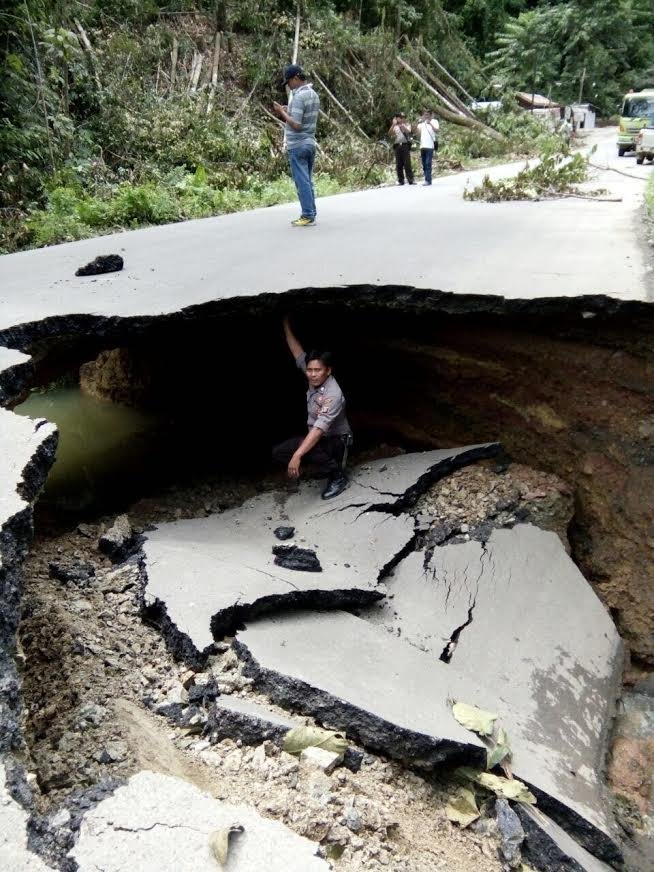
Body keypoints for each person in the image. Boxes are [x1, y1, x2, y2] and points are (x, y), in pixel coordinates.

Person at [272, 316, 352, 500]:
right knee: (279, 452)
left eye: (318, 370)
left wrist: (297, 456)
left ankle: (337, 476)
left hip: (337, 440)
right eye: (309, 370)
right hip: (321, 439)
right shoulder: (312, 375)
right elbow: (297, 350)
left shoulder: (333, 394)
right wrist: (285, 324)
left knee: (307, 445)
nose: (313, 375)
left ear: (328, 371)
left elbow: (318, 431)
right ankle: (319, 467)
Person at [273, 64, 320, 227]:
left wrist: (282, 112)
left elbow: (297, 125)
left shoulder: (299, 97)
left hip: (298, 144)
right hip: (310, 142)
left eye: (289, 82)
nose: (289, 86)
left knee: (302, 182)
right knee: (307, 180)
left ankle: (307, 215)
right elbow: (303, 116)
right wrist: (289, 109)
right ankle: (311, 212)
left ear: (296, 78)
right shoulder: (313, 94)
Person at [389, 112, 414, 185]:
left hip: (405, 145)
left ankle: (410, 179)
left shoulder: (406, 124)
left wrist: (402, 126)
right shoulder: (394, 126)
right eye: (400, 117)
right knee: (399, 164)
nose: (402, 119)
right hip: (397, 145)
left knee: (407, 163)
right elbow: (389, 133)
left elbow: (409, 131)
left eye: (403, 117)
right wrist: (393, 124)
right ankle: (401, 180)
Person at [416, 110, 439, 185]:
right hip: (423, 146)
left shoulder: (434, 121)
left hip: (430, 146)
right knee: (424, 164)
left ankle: (428, 180)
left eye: (427, 115)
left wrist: (430, 124)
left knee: (428, 163)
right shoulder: (422, 124)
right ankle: (428, 178)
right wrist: (418, 123)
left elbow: (437, 130)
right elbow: (418, 133)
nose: (426, 116)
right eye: (424, 115)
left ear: (431, 115)